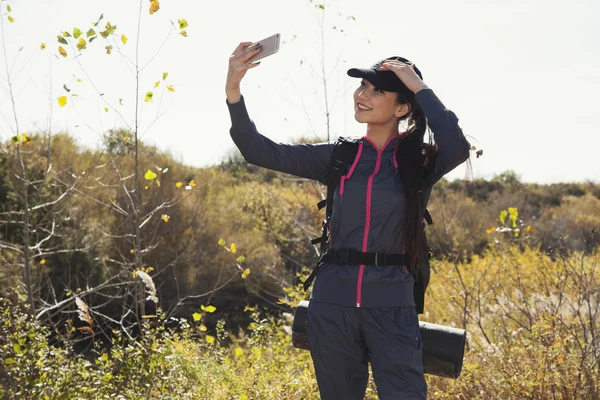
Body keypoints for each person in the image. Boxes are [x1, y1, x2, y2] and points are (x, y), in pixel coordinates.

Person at [226, 41, 471, 400]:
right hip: (332, 305)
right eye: (363, 86)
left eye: (377, 90)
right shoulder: (339, 156)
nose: (362, 94)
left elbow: (457, 145)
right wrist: (233, 89)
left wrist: (419, 87)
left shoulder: (418, 161)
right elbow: (258, 150)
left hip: (392, 306)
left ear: (402, 106)